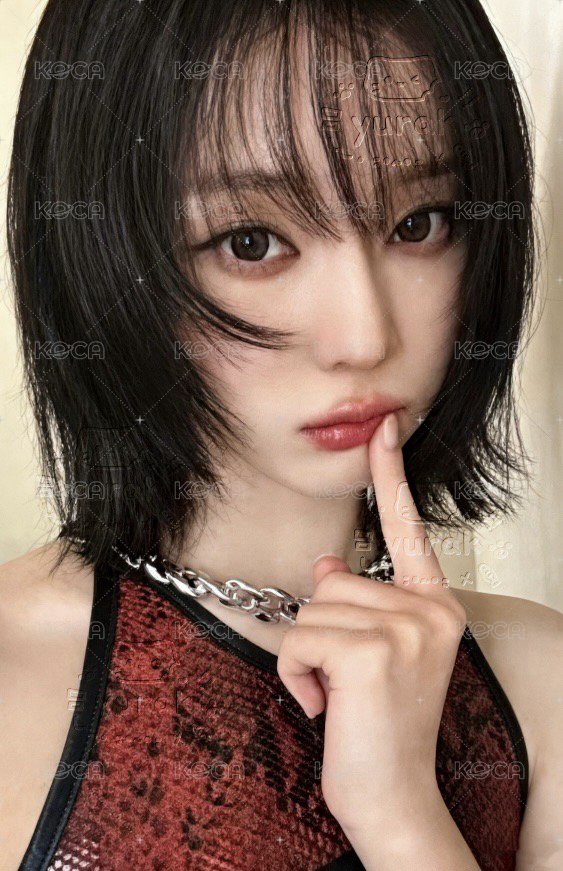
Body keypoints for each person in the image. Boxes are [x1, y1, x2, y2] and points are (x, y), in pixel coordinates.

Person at [1, 0, 561, 868]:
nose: (364, 338)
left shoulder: (541, 677)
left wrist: (401, 814)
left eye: (418, 224)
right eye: (252, 241)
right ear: (101, 262)